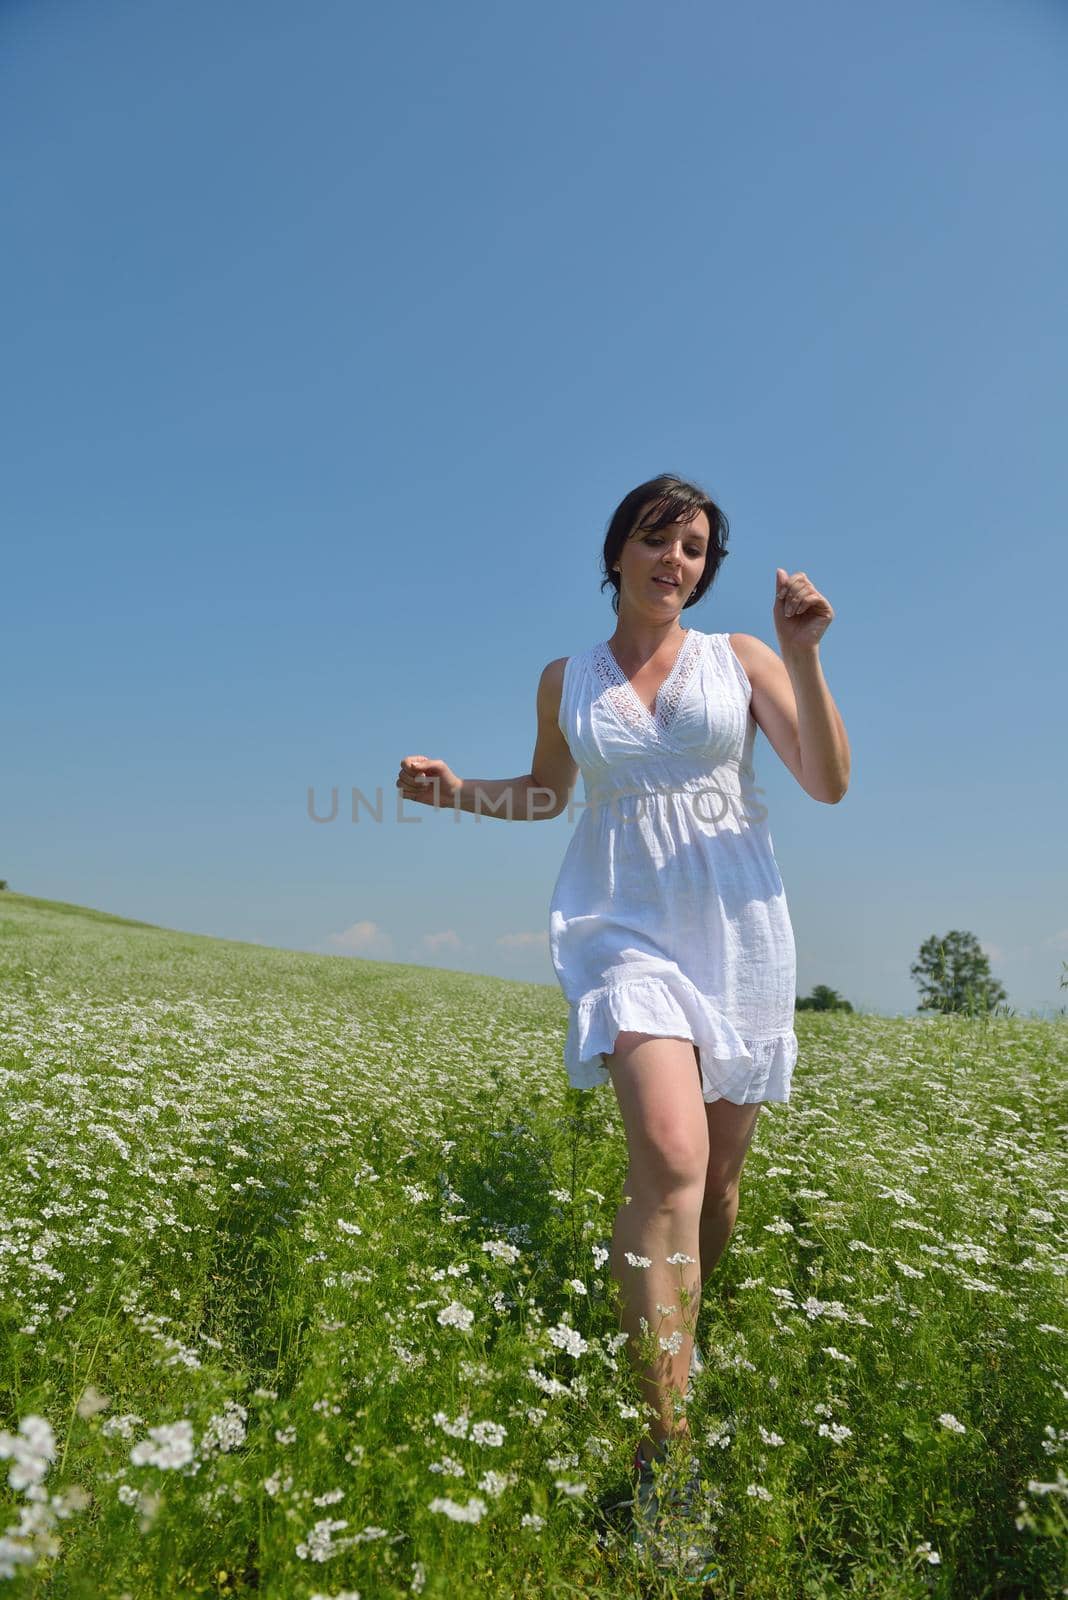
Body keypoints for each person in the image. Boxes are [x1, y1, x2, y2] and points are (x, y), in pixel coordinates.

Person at [395, 471, 850, 1563]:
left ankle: (680, 1336)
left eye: (693, 547)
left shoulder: (739, 657)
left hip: (738, 934)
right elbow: (550, 793)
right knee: (669, 1151)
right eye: (657, 539)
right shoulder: (568, 678)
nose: (674, 561)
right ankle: (667, 1445)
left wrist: (805, 651)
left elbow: (827, 781)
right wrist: (460, 790)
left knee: (717, 1188)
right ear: (617, 552)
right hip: (623, 929)